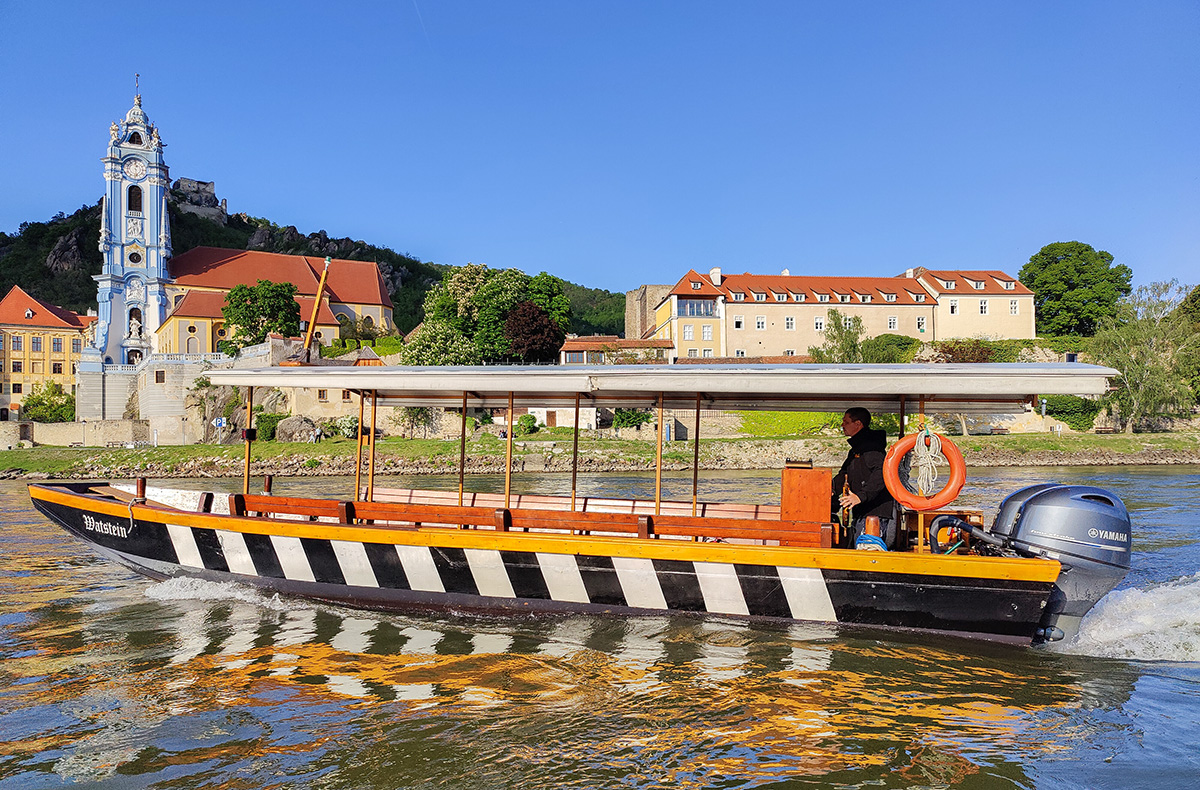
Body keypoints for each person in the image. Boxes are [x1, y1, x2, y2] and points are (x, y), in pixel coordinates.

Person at [832, 407, 897, 549]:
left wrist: (860, 497)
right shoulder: (856, 450)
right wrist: (828, 489)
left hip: (876, 513)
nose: (842, 425)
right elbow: (844, 474)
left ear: (858, 424)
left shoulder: (872, 448)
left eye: (846, 422)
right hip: (862, 512)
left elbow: (882, 473)